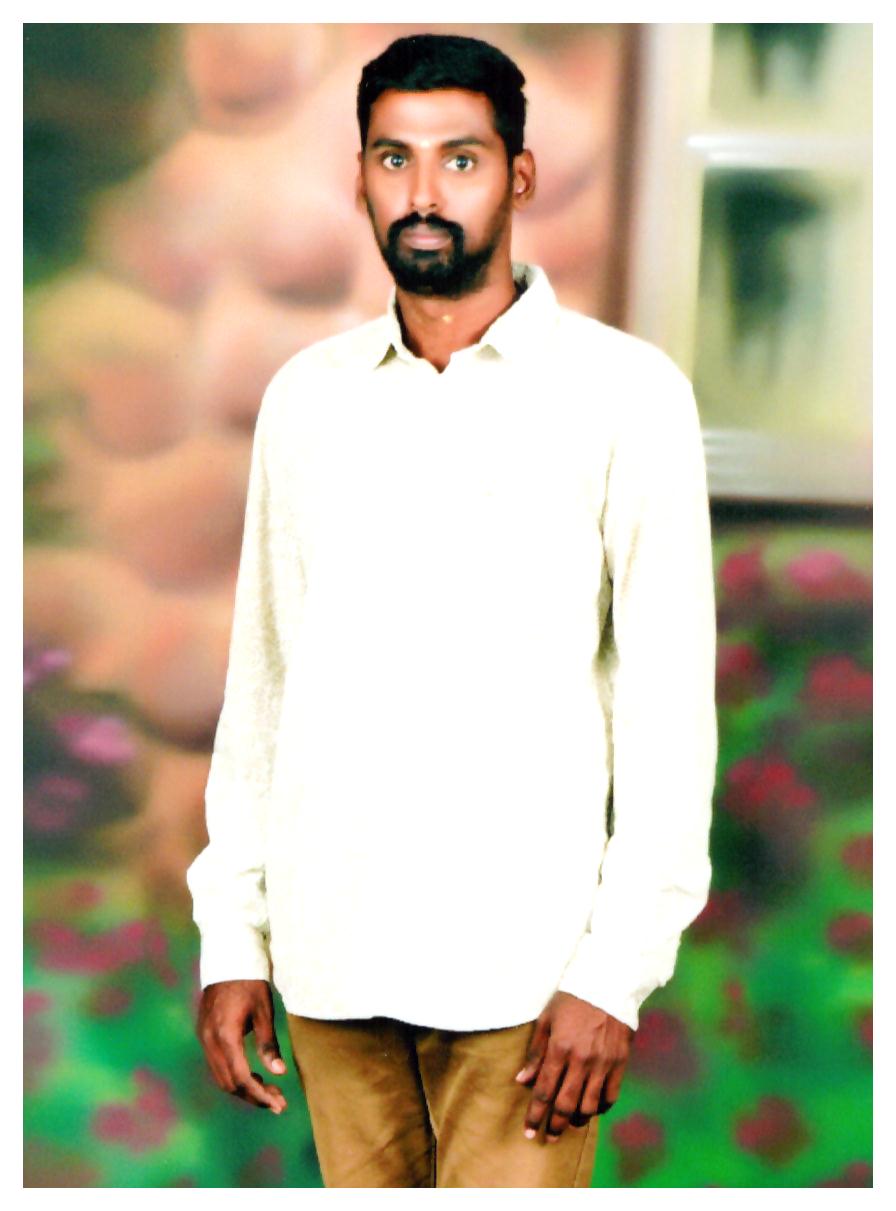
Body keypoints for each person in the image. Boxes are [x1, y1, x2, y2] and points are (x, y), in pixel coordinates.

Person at [186, 32, 717, 1188]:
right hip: (332, 968)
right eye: (395, 158)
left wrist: (610, 975)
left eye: (460, 159)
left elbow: (668, 714)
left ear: (517, 176)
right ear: (360, 177)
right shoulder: (306, 400)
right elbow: (264, 685)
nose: (423, 193)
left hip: (524, 983)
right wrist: (234, 935)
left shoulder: (625, 396)